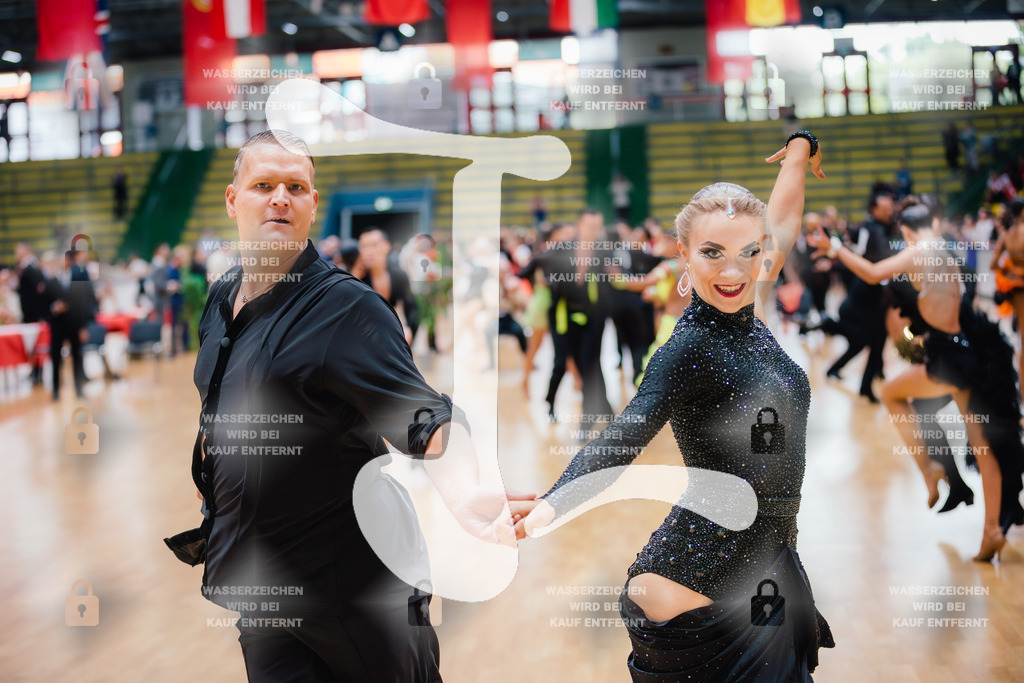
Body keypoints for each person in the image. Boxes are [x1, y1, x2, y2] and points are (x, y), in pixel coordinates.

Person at [182, 129, 529, 682]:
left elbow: (423, 416)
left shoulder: (346, 309)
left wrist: (462, 492)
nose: (280, 198)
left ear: (312, 204)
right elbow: (220, 396)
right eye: (264, 185)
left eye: (296, 187)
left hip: (357, 591)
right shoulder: (223, 296)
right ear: (232, 199)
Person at [516, 132, 834, 681]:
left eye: (748, 252)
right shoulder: (685, 349)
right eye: (712, 253)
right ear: (683, 254)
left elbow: (782, 220)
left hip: (765, 565)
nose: (732, 272)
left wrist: (800, 150)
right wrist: (550, 505)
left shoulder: (750, 300)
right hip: (697, 586)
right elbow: (626, 434)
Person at [808, 203, 1024, 560]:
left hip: (946, 359)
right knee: (983, 447)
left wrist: (835, 248)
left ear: (907, 232)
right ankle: (992, 530)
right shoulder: (945, 252)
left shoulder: (919, 251)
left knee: (892, 393)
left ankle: (929, 467)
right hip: (967, 353)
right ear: (933, 224)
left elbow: (873, 273)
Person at [356, 228, 420, 345]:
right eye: (364, 246)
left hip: (391, 335)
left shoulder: (399, 275)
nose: (369, 251)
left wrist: (408, 330)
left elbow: (412, 309)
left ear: (386, 246)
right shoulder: (356, 278)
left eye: (374, 245)